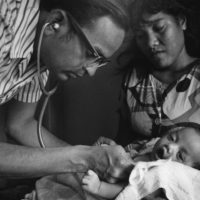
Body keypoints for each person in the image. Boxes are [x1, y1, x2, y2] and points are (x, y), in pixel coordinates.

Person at [0, 0, 132, 183]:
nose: (91, 71)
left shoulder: (42, 56)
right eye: (92, 54)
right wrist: (83, 158)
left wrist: (93, 163)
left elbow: (20, 124)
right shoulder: (4, 26)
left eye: (100, 62)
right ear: (56, 22)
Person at [116, 0, 200, 146]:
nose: (150, 43)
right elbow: (123, 142)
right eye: (140, 35)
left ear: (181, 21)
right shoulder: (134, 79)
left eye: (159, 28)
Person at [82, 124, 200, 199]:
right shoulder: (151, 145)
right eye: (172, 138)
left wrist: (99, 188)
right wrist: (118, 150)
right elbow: (132, 153)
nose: (170, 146)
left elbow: (131, 192)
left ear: (187, 173)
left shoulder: (160, 179)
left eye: (180, 155)